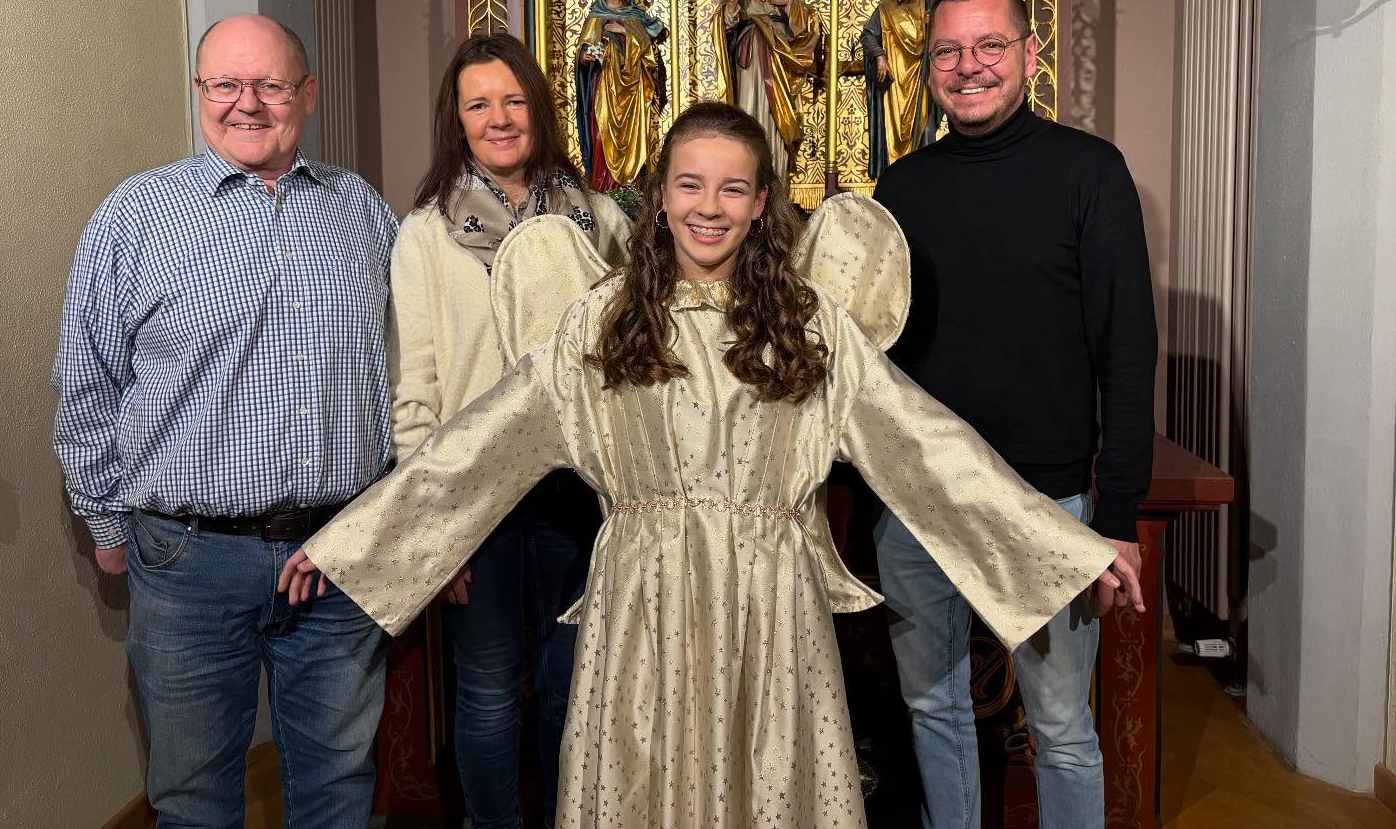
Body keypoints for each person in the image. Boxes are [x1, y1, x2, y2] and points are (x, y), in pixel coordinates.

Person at [279, 102, 1139, 829]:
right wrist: (356, 542)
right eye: (690, 184)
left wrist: (1063, 546)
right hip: (640, 607)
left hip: (774, 608)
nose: (709, 207)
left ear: (762, 204)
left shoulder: (811, 326)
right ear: (659, 197)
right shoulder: (598, 324)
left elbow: (927, 446)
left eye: (733, 188)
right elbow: (479, 446)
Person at [53, 14, 397, 827]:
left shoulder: (360, 210)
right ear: (199, 91)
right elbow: (87, 380)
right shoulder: (136, 216)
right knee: (194, 797)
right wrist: (105, 521)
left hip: (341, 556)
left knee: (339, 786)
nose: (248, 103)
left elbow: (408, 369)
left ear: (308, 95)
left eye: (271, 85)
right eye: (226, 84)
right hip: (189, 562)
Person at [873, 0, 1158, 829]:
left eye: (990, 45)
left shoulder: (1090, 173)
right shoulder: (902, 187)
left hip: (1048, 501)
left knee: (1062, 728)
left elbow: (1127, 350)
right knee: (934, 710)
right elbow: (874, 357)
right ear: (927, 66)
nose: (969, 66)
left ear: (1030, 54)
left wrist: (1119, 515)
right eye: (948, 51)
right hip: (921, 499)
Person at [396, 33, 631, 829]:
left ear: (539, 106)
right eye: (478, 104)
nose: (499, 118)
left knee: (574, 688)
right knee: (490, 692)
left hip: (578, 495)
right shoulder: (426, 233)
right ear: (456, 120)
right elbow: (416, 388)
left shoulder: (599, 221)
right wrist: (432, 531)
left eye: (513, 99)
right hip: (478, 501)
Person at [711, 0, 822, 179]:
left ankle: (777, 178)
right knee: (749, 111)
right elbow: (723, 27)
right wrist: (732, 5)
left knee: (777, 115)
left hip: (779, 55)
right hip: (749, 55)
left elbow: (808, 23)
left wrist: (788, 3)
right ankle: (749, 176)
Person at [574, 0, 667, 190]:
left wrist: (625, 30)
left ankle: (633, 189)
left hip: (633, 90)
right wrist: (584, 56)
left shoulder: (634, 16)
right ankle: (604, 187)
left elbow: (648, 51)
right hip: (604, 87)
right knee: (601, 135)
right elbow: (583, 52)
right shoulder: (595, 16)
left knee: (634, 137)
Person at [861, 0, 938, 177]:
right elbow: (868, 35)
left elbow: (950, 36)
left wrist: (934, 24)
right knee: (891, 133)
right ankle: (896, 178)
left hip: (921, 77)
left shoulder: (929, 4)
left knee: (925, 130)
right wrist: (879, 56)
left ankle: (926, 178)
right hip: (895, 82)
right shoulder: (885, 8)